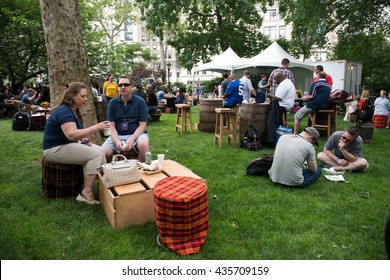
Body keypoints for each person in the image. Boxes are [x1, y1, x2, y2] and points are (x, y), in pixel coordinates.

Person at [42, 82, 109, 205]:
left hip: (64, 144)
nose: (85, 99)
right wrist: (96, 127)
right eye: (82, 96)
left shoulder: (72, 110)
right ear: (72, 95)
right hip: (54, 149)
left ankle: (105, 186)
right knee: (95, 155)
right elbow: (71, 134)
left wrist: (82, 140)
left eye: (86, 96)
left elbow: (72, 135)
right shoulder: (65, 111)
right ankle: (86, 193)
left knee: (101, 150)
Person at [102, 75, 149, 162]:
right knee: (103, 153)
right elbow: (111, 126)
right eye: (120, 85)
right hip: (117, 134)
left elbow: (142, 125)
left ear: (131, 86)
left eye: (126, 85)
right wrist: (117, 141)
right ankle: (111, 173)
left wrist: (131, 139)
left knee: (144, 146)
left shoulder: (140, 102)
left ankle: (139, 169)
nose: (123, 87)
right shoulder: (112, 102)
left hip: (136, 134)